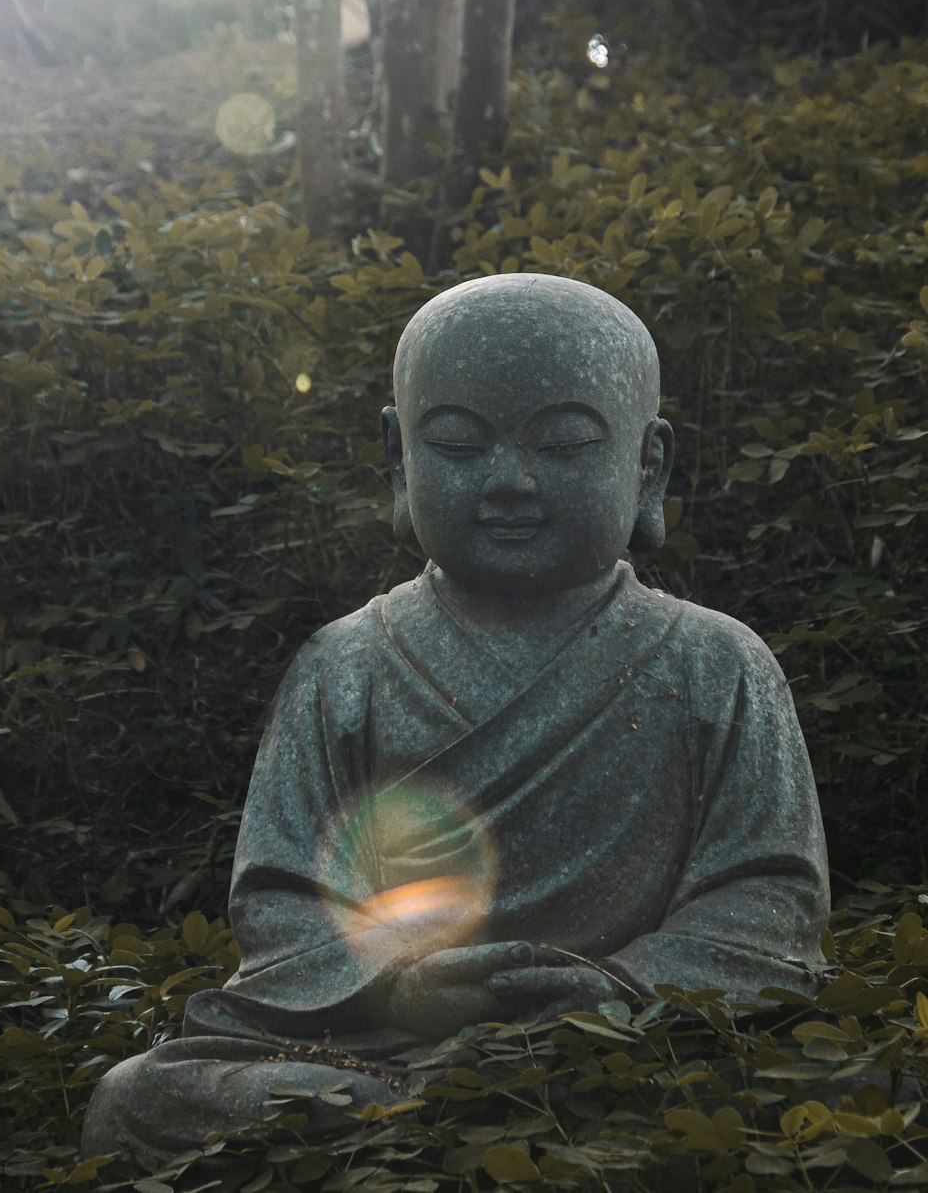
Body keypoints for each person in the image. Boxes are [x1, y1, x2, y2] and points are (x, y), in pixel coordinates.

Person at [81, 273, 830, 1173]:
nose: (509, 481)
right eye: (458, 444)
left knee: (848, 1092)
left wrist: (623, 986)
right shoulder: (344, 664)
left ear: (648, 466)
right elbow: (284, 897)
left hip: (633, 1040)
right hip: (389, 1052)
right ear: (400, 458)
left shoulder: (718, 661)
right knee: (137, 1098)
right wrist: (397, 982)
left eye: (562, 443)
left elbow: (770, 897)